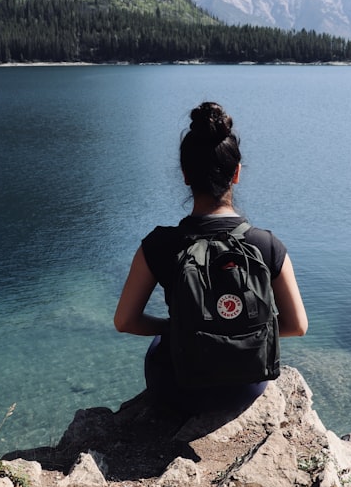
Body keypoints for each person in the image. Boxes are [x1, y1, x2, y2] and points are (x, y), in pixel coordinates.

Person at [114, 101, 308, 414]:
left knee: (159, 345)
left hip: (180, 390)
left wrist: (176, 327)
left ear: (185, 175)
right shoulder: (267, 245)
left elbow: (124, 321)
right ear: (237, 173)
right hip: (247, 388)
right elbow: (298, 325)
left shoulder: (160, 244)